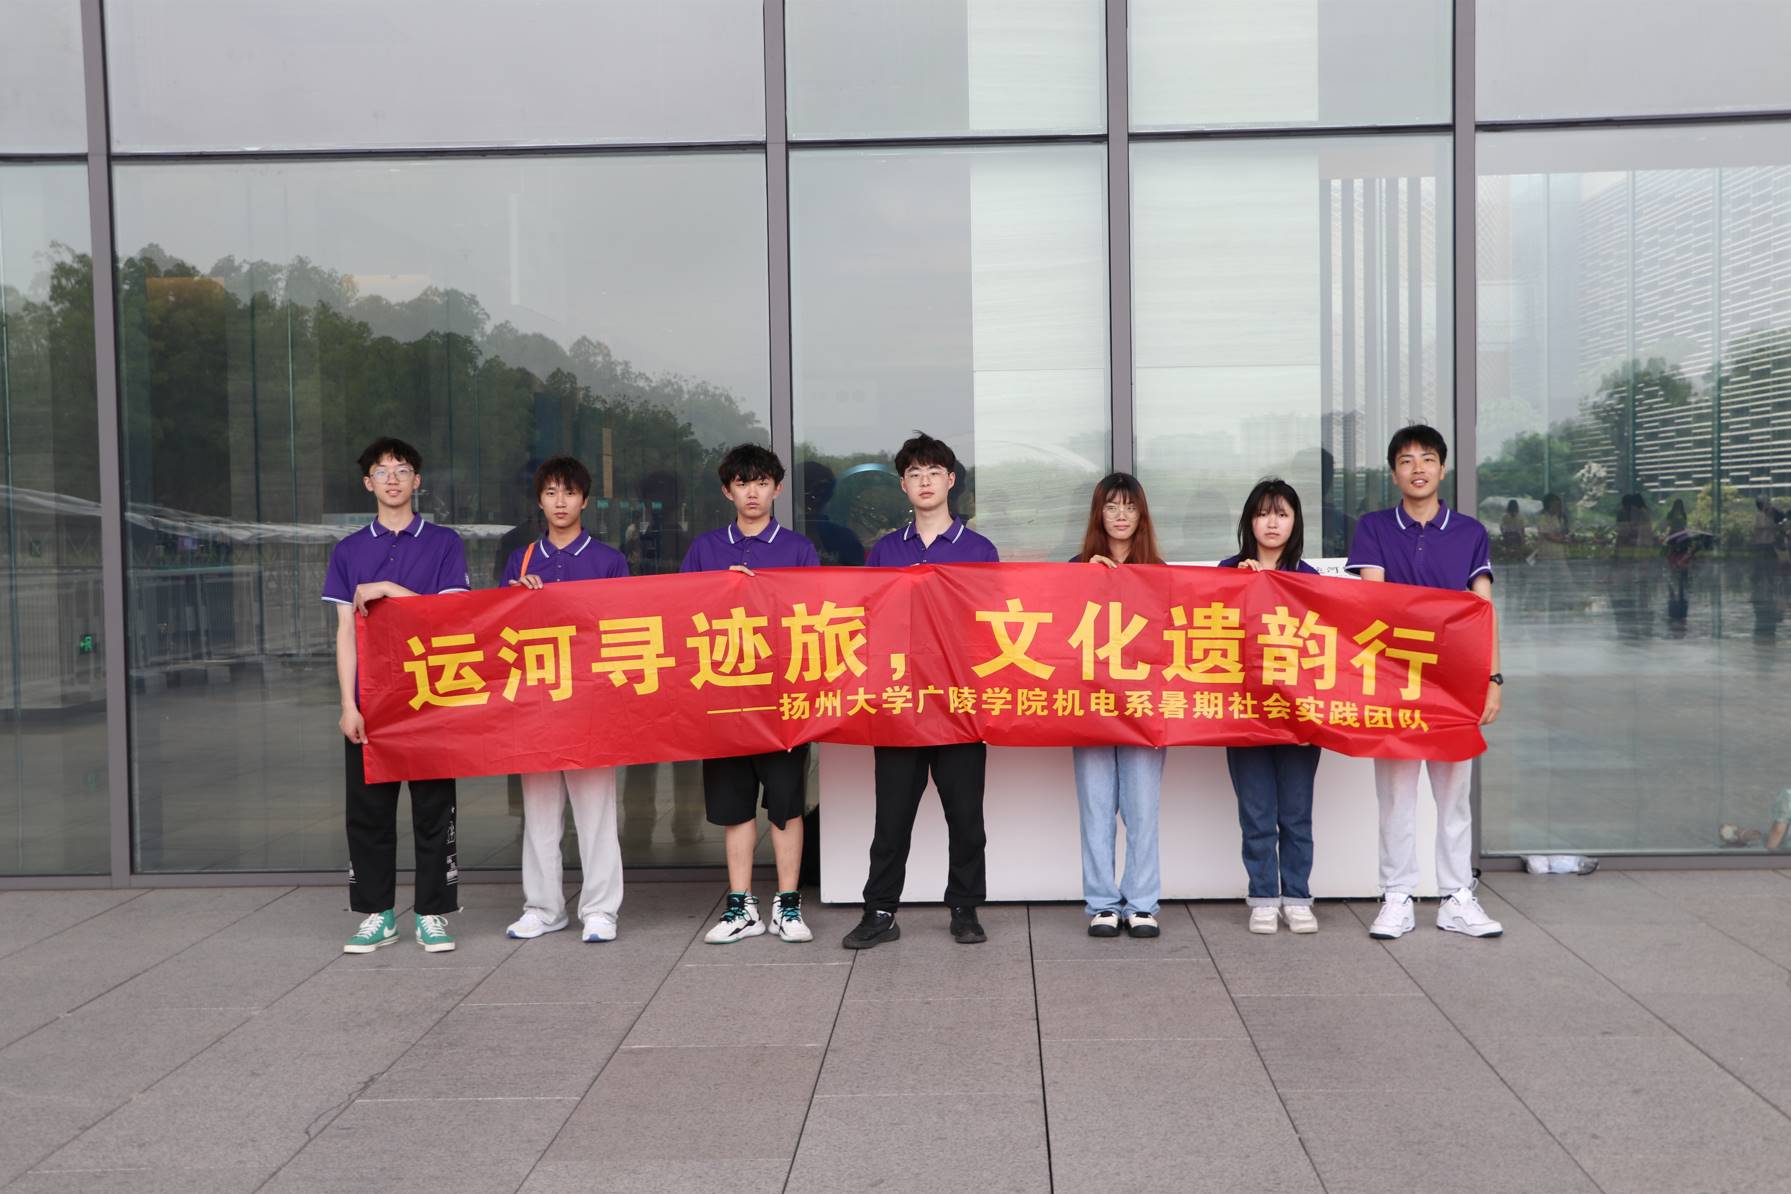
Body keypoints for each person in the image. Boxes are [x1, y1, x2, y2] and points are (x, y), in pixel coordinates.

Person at [1345, 425, 1504, 940]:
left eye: (1428, 458)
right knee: (1396, 797)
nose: (1418, 468)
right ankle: (1397, 896)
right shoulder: (1373, 528)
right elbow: (1376, 603)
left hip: (1456, 683)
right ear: (1394, 473)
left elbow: (1482, 610)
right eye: (1407, 460)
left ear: (1442, 469)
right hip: (1394, 681)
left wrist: (1493, 678)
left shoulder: (1470, 533)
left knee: (1453, 798)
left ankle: (1457, 897)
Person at [843, 432, 999, 950]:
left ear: (951, 480)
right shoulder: (886, 550)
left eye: (934, 472)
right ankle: (880, 910)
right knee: (891, 819)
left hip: (958, 703)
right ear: (903, 485)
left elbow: (994, 625)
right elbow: (864, 620)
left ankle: (965, 909)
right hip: (899, 705)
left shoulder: (980, 549)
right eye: (914, 474)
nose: (925, 481)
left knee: (966, 817)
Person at [324, 437, 471, 955]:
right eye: (382, 471)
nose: (392, 478)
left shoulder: (444, 543)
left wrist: (387, 588)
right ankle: (377, 914)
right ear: (368, 483)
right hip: (371, 701)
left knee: (434, 810)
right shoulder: (348, 550)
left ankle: (432, 913)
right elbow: (345, 630)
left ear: (417, 481)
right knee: (368, 813)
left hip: (431, 696)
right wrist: (348, 705)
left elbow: (449, 618)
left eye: (402, 469)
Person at [684, 444, 821, 945]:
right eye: (742, 483)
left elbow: (815, 620)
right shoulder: (704, 549)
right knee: (735, 809)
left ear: (777, 488)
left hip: (781, 701)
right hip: (723, 700)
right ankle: (740, 906)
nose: (753, 493)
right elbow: (679, 616)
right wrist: (719, 591)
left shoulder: (799, 549)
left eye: (762, 483)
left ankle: (788, 905)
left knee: (786, 806)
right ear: (727, 491)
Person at [500, 456, 629, 944]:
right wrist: (516, 598)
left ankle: (600, 910)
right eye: (551, 492)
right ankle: (543, 907)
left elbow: (623, 630)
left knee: (596, 814)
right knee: (538, 814)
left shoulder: (609, 561)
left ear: (585, 501)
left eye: (569, 493)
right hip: (534, 703)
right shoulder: (521, 560)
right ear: (540, 500)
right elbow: (497, 631)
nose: (560, 502)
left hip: (590, 704)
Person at [1219, 479, 1324, 935]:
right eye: (1263, 514)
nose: (1272, 523)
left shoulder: (1310, 579)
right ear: (1250, 521)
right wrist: (1238, 586)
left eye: (1282, 513)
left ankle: (1297, 897)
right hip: (1244, 712)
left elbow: (1326, 651)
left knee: (1296, 813)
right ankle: (1263, 896)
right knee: (1257, 812)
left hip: (1298, 714)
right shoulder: (1228, 571)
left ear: (1295, 521)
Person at [1071, 473, 1167, 940]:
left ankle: (1142, 903)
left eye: (1130, 506)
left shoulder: (1160, 572)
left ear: (1141, 514)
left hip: (1143, 708)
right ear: (1099, 514)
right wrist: (1082, 581)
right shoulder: (1076, 568)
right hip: (1090, 707)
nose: (1121, 515)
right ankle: (1103, 904)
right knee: (1096, 809)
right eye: (1112, 506)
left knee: (1142, 810)